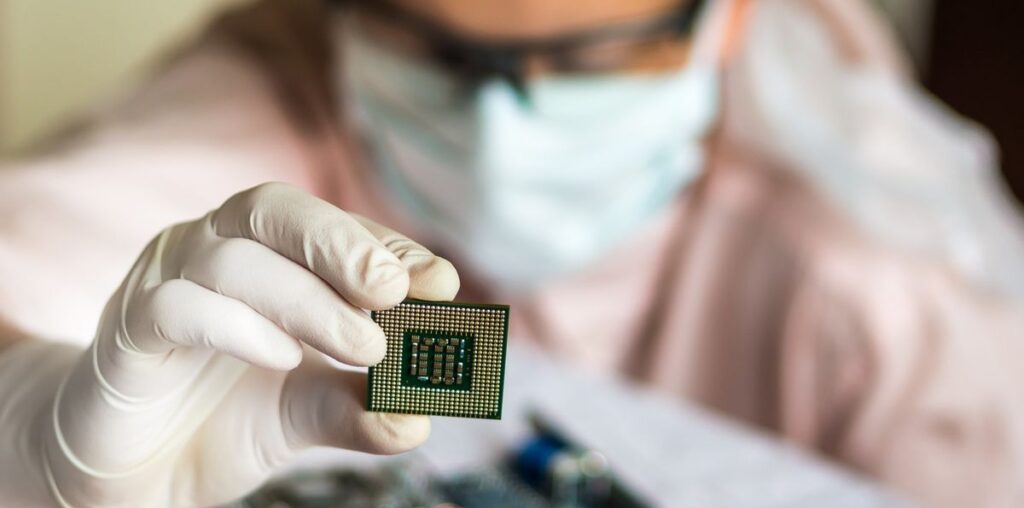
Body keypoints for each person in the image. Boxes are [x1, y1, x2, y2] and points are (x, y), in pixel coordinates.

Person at [0, 0, 1021, 506]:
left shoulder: (883, 267)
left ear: (732, 15)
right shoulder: (263, 110)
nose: (501, 127)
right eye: (435, 52)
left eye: (584, 60)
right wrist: (24, 422)